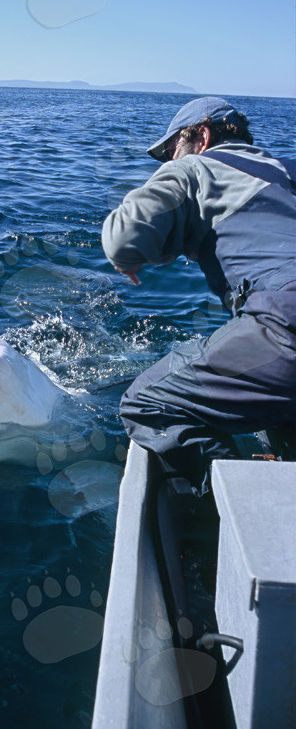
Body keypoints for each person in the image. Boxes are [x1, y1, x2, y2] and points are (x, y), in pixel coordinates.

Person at [102, 96, 296, 497]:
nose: (168, 163)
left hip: (286, 321)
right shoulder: (285, 170)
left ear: (201, 136)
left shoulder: (197, 166)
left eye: (171, 152)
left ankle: (235, 513)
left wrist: (128, 256)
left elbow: (124, 238)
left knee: (147, 404)